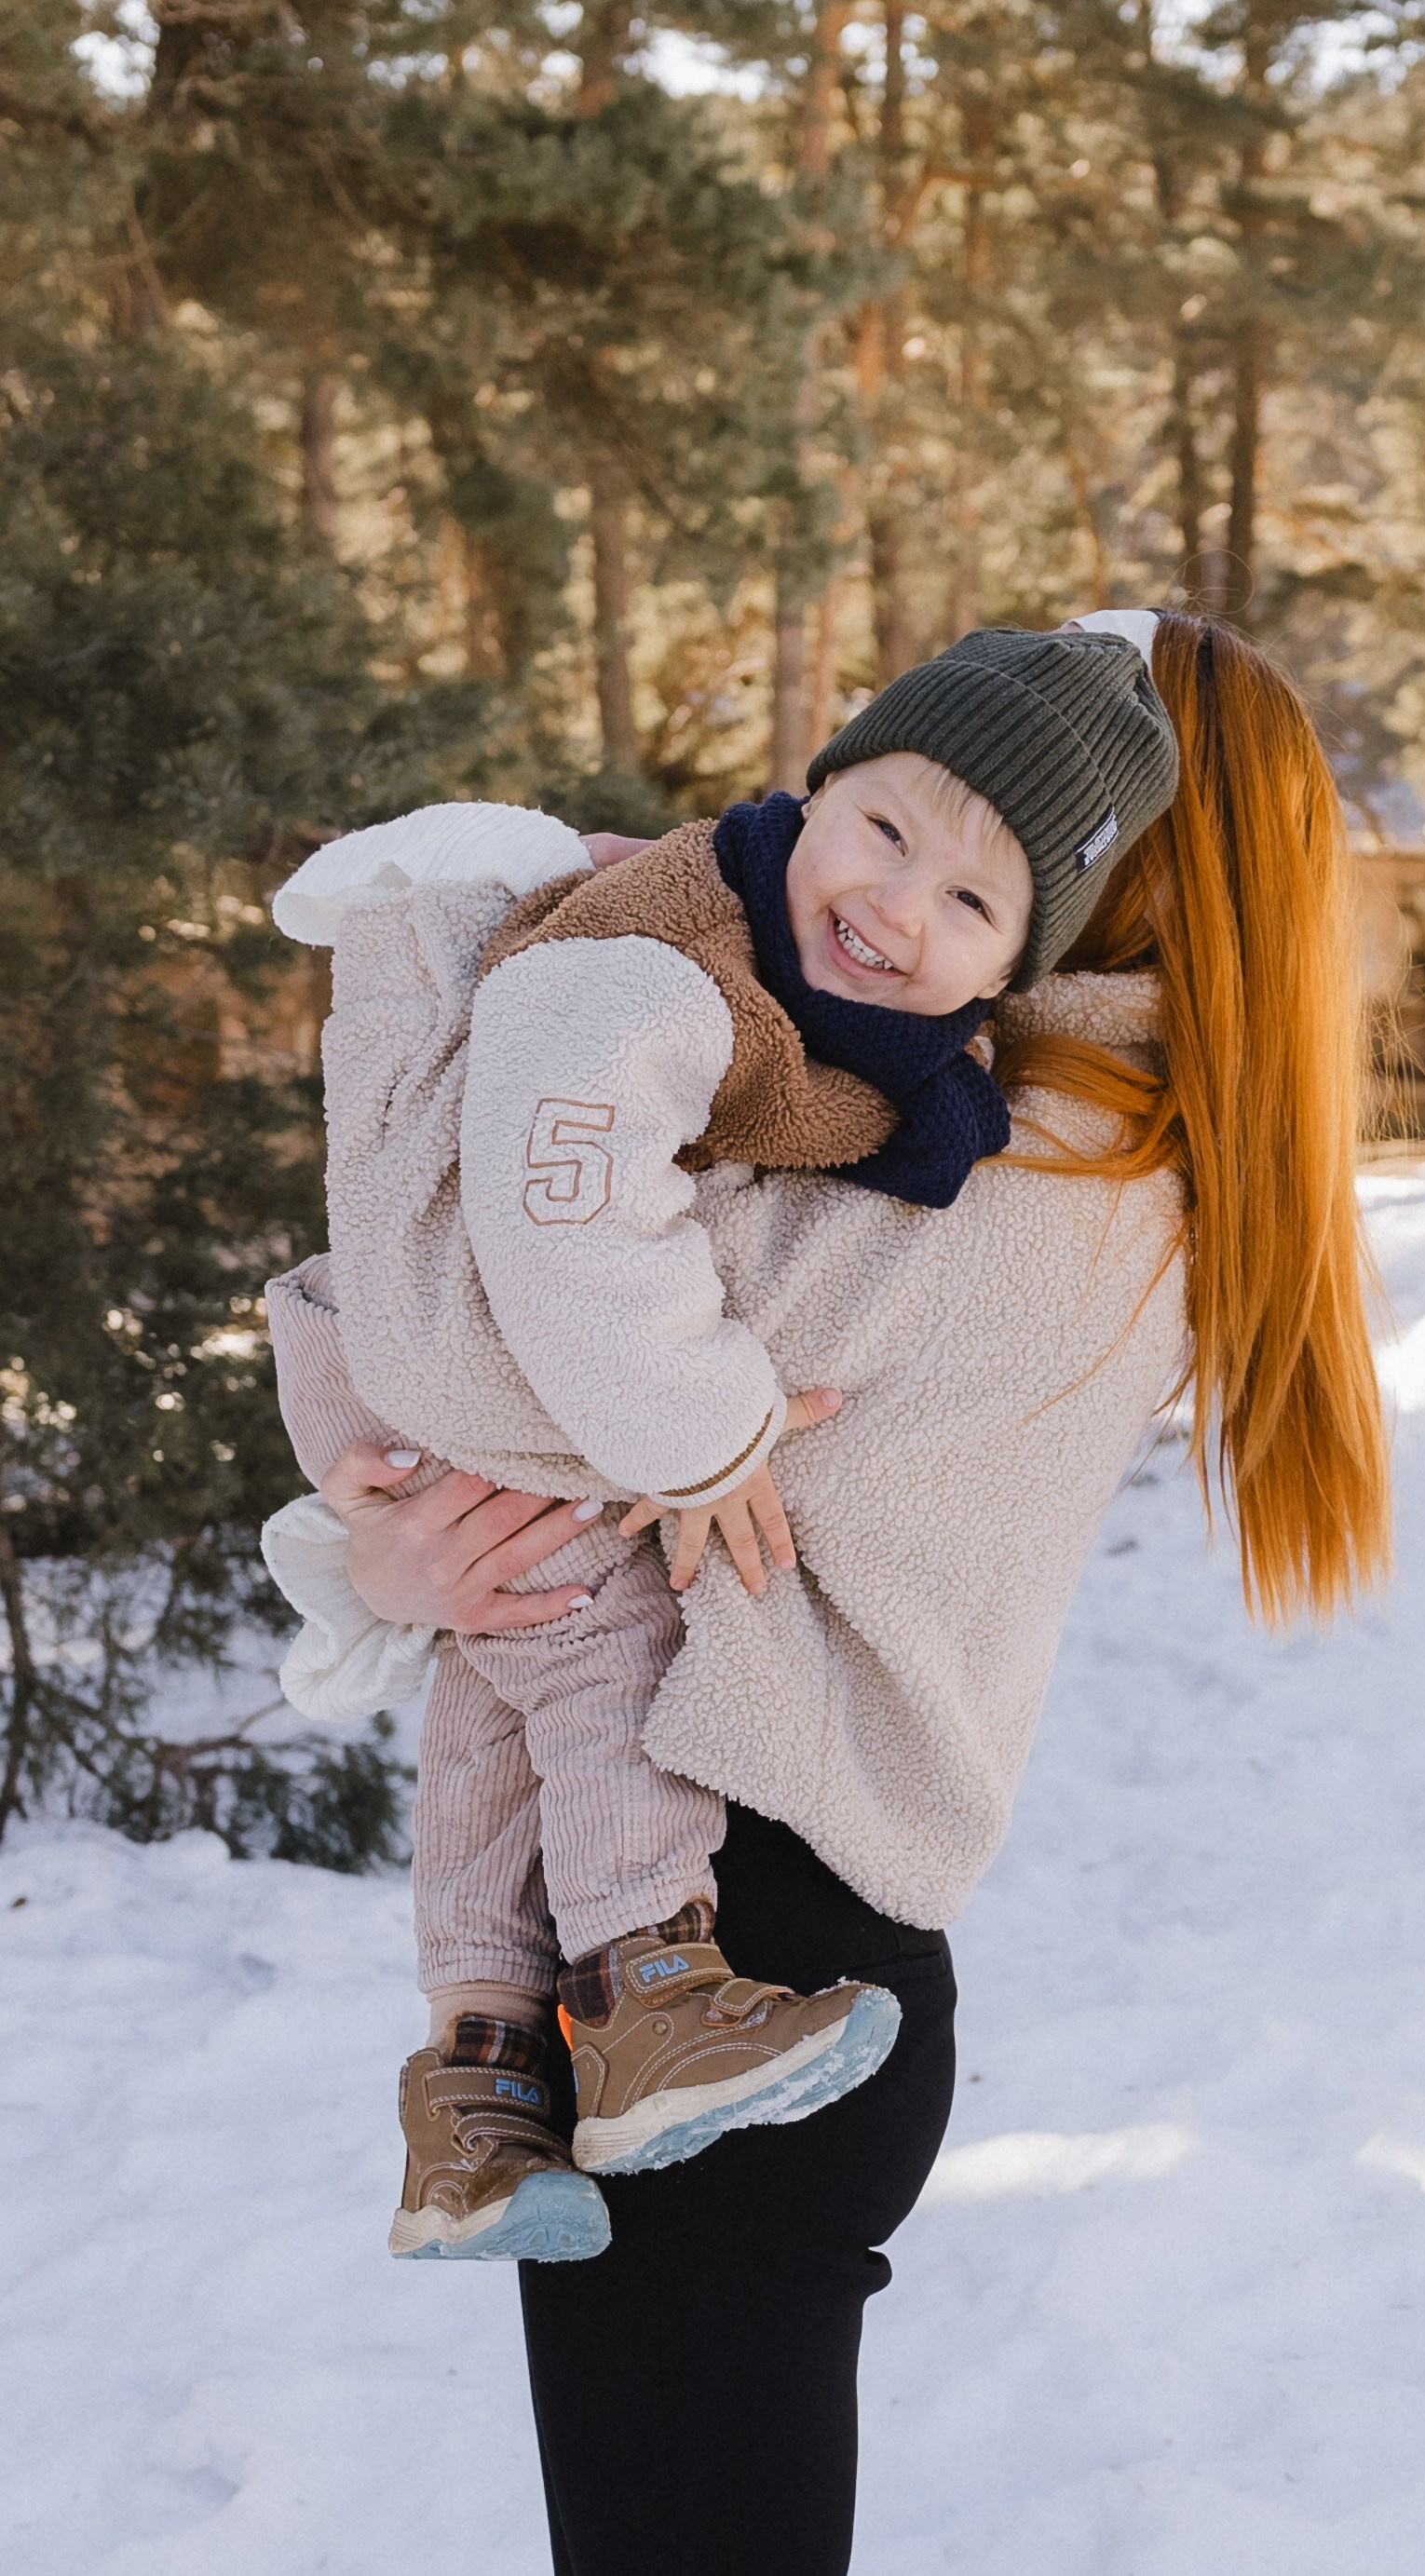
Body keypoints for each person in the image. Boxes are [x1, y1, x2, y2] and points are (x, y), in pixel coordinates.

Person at [265, 609, 1391, 2576]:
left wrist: (379, 1480)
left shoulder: (1038, 1173)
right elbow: (552, 1391)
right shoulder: (949, 1103)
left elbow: (488, 1296)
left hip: (730, 1947)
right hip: (693, 1946)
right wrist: (389, 1542)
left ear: (1124, 856)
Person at [263, 626, 1180, 2251]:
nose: (899, 905)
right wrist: (701, 1432)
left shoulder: (1039, 1148)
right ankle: (635, 1990)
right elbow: (566, 1220)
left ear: (1030, 957)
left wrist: (383, 1530)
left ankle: (477, 2072)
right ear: (810, 790)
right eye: (885, 830)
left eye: (973, 900)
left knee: (527, 1646)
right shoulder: (684, 949)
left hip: (411, 1388)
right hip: (738, 1883)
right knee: (586, 1626)